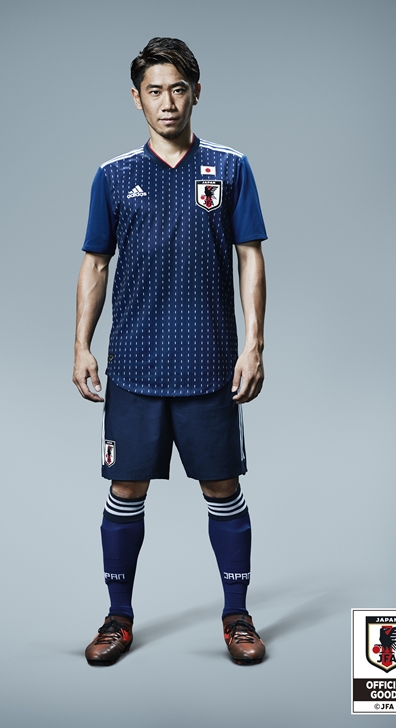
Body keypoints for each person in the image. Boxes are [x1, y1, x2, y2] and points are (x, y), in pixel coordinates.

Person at [73, 37, 267, 666]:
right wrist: (80, 345)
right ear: (136, 99)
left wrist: (254, 344)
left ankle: (237, 617)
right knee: (125, 489)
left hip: (210, 364)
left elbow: (250, 256)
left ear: (196, 93)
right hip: (134, 367)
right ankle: (117, 618)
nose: (167, 102)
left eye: (178, 89)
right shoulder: (113, 176)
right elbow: (95, 263)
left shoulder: (230, 169)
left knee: (223, 487)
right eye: (154, 91)